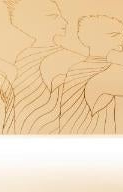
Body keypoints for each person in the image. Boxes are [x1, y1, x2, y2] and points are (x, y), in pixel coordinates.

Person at [6, 0, 80, 133]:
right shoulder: (25, 56)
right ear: (33, 22)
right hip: (34, 127)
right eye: (53, 16)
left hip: (47, 128)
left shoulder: (25, 55)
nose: (65, 22)